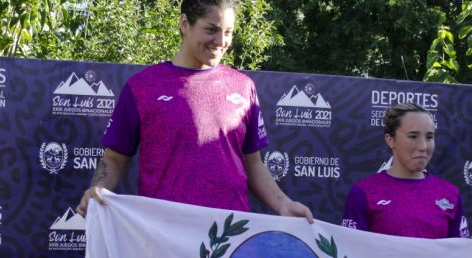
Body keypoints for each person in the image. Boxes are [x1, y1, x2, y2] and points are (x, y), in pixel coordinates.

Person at [76, 0, 312, 223]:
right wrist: (98, 188)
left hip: (231, 237)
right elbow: (115, 158)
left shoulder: (244, 86)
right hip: (162, 236)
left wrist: (283, 204)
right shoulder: (141, 87)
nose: (221, 41)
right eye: (211, 29)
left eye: (228, 32)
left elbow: (253, 164)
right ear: (184, 24)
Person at [342, 103, 472, 258]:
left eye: (429, 137)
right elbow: (349, 255)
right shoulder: (363, 192)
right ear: (390, 140)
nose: (423, 146)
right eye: (413, 136)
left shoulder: (449, 193)